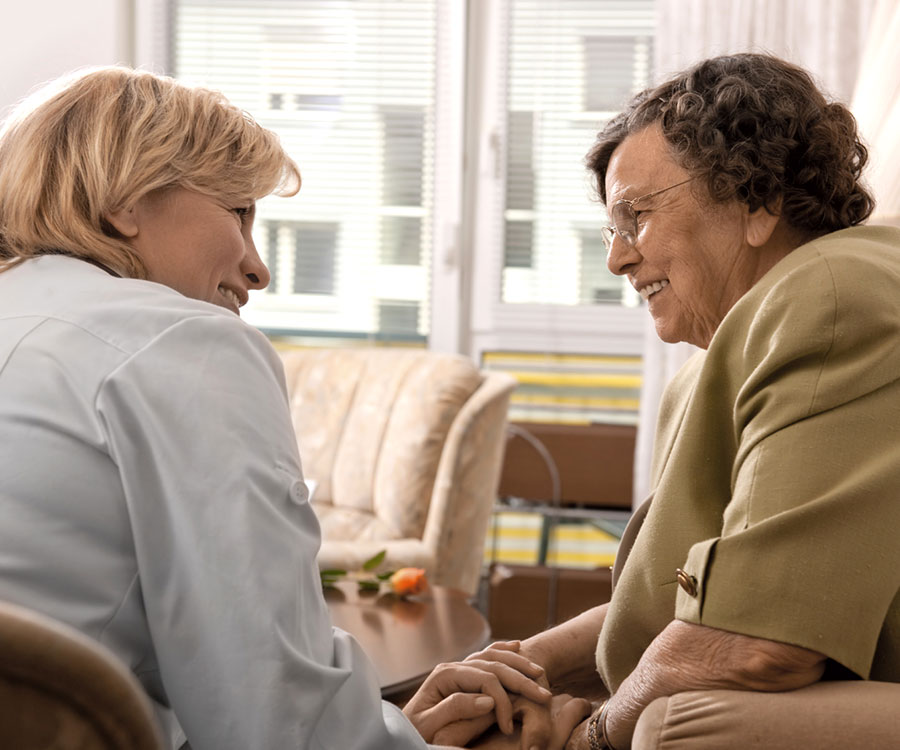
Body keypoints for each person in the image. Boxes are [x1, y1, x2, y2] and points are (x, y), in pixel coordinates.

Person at [0, 66, 558, 750]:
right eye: (238, 211)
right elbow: (271, 723)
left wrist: (388, 729)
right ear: (130, 200)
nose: (258, 267)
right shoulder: (180, 341)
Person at [443, 53, 900, 750]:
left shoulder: (831, 299)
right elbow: (697, 601)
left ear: (757, 199)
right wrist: (525, 663)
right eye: (611, 229)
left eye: (638, 216)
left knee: (669, 727)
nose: (617, 259)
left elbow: (759, 642)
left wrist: (589, 738)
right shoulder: (726, 354)